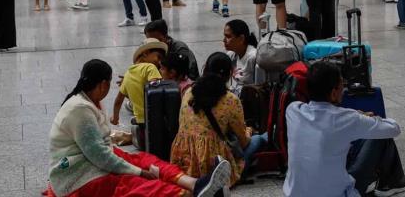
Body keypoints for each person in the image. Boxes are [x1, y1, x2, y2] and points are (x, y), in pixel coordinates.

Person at [46, 59, 232, 197]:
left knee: (145, 160)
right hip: (78, 176)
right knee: (132, 183)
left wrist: (136, 166)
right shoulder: (79, 109)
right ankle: (188, 195)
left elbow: (101, 150)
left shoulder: (88, 101)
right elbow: (99, 156)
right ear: (104, 84)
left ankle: (195, 184)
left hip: (92, 162)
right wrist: (137, 172)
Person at [283, 61, 405, 197]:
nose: (343, 90)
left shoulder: (293, 111)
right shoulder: (347, 118)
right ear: (333, 93)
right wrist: (366, 118)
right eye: (341, 85)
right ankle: (393, 181)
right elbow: (394, 128)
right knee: (379, 138)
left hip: (293, 194)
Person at [171, 53, 266, 187]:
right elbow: (243, 141)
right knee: (260, 139)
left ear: (205, 69)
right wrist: (249, 132)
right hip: (214, 163)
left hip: (184, 161)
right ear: (229, 74)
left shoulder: (188, 92)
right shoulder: (230, 99)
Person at [111, 38, 167, 150]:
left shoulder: (127, 73)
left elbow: (118, 101)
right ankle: (140, 137)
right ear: (145, 53)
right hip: (155, 118)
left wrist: (115, 117)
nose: (160, 62)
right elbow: (157, 90)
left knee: (148, 141)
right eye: (158, 57)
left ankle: (139, 136)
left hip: (141, 120)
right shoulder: (150, 67)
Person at [222, 19, 258, 95]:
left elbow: (260, 87)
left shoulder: (253, 57)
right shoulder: (231, 55)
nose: (224, 40)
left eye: (228, 37)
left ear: (241, 38)